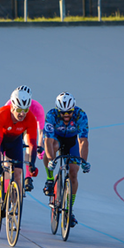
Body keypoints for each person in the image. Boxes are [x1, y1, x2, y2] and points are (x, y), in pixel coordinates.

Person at [43, 92, 90, 227]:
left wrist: (84, 161)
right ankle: (50, 179)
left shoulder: (80, 115)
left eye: (69, 112)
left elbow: (83, 141)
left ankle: (69, 209)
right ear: (58, 110)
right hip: (56, 139)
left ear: (73, 109)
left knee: (74, 173)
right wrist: (52, 160)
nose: (66, 115)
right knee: (53, 146)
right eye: (62, 112)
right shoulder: (51, 115)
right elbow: (48, 141)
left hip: (72, 141)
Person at [0, 88, 39, 201]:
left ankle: (15, 208)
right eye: (19, 109)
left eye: (26, 110)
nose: (22, 113)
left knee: (18, 173)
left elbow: (32, 144)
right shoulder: (1, 114)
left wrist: (32, 165)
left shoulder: (30, 119)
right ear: (12, 106)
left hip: (14, 140)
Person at [3, 85, 45, 192]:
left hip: (27, 127)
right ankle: (3, 191)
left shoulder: (37, 108)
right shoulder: (9, 105)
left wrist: (40, 145)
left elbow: (40, 131)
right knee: (6, 163)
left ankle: (27, 177)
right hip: (12, 127)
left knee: (29, 145)